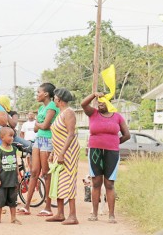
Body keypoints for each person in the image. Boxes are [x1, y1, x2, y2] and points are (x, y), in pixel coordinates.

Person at [81, 92, 130, 224]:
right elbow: (83, 104)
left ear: (109, 103)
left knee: (109, 184)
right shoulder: (93, 113)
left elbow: (127, 135)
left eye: (103, 102)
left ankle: (111, 215)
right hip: (95, 151)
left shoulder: (118, 117)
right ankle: (95, 214)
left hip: (112, 152)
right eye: (98, 102)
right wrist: (93, 95)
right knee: (96, 183)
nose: (100, 104)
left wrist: (114, 142)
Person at [18, 83, 59, 216]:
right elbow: (37, 127)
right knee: (34, 172)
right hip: (39, 140)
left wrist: (39, 125)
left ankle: (48, 207)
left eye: (38, 92)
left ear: (46, 94)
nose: (37, 95)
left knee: (46, 173)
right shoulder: (42, 108)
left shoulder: (52, 106)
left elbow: (45, 125)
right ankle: (27, 206)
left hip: (48, 140)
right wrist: (40, 125)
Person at [45, 88, 80, 225]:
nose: (53, 100)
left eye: (54, 98)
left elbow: (71, 134)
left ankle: (73, 215)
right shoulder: (60, 113)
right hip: (59, 152)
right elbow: (58, 135)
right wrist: (54, 152)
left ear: (58, 99)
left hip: (68, 152)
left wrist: (62, 153)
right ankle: (60, 213)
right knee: (58, 181)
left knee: (69, 181)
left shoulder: (69, 113)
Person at [0, 127, 21, 225]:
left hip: (12, 181)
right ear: (2, 137)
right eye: (10, 136)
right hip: (2, 181)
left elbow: (16, 163)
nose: (12, 138)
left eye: (13, 136)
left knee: (13, 201)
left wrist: (18, 175)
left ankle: (13, 218)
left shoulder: (14, 150)